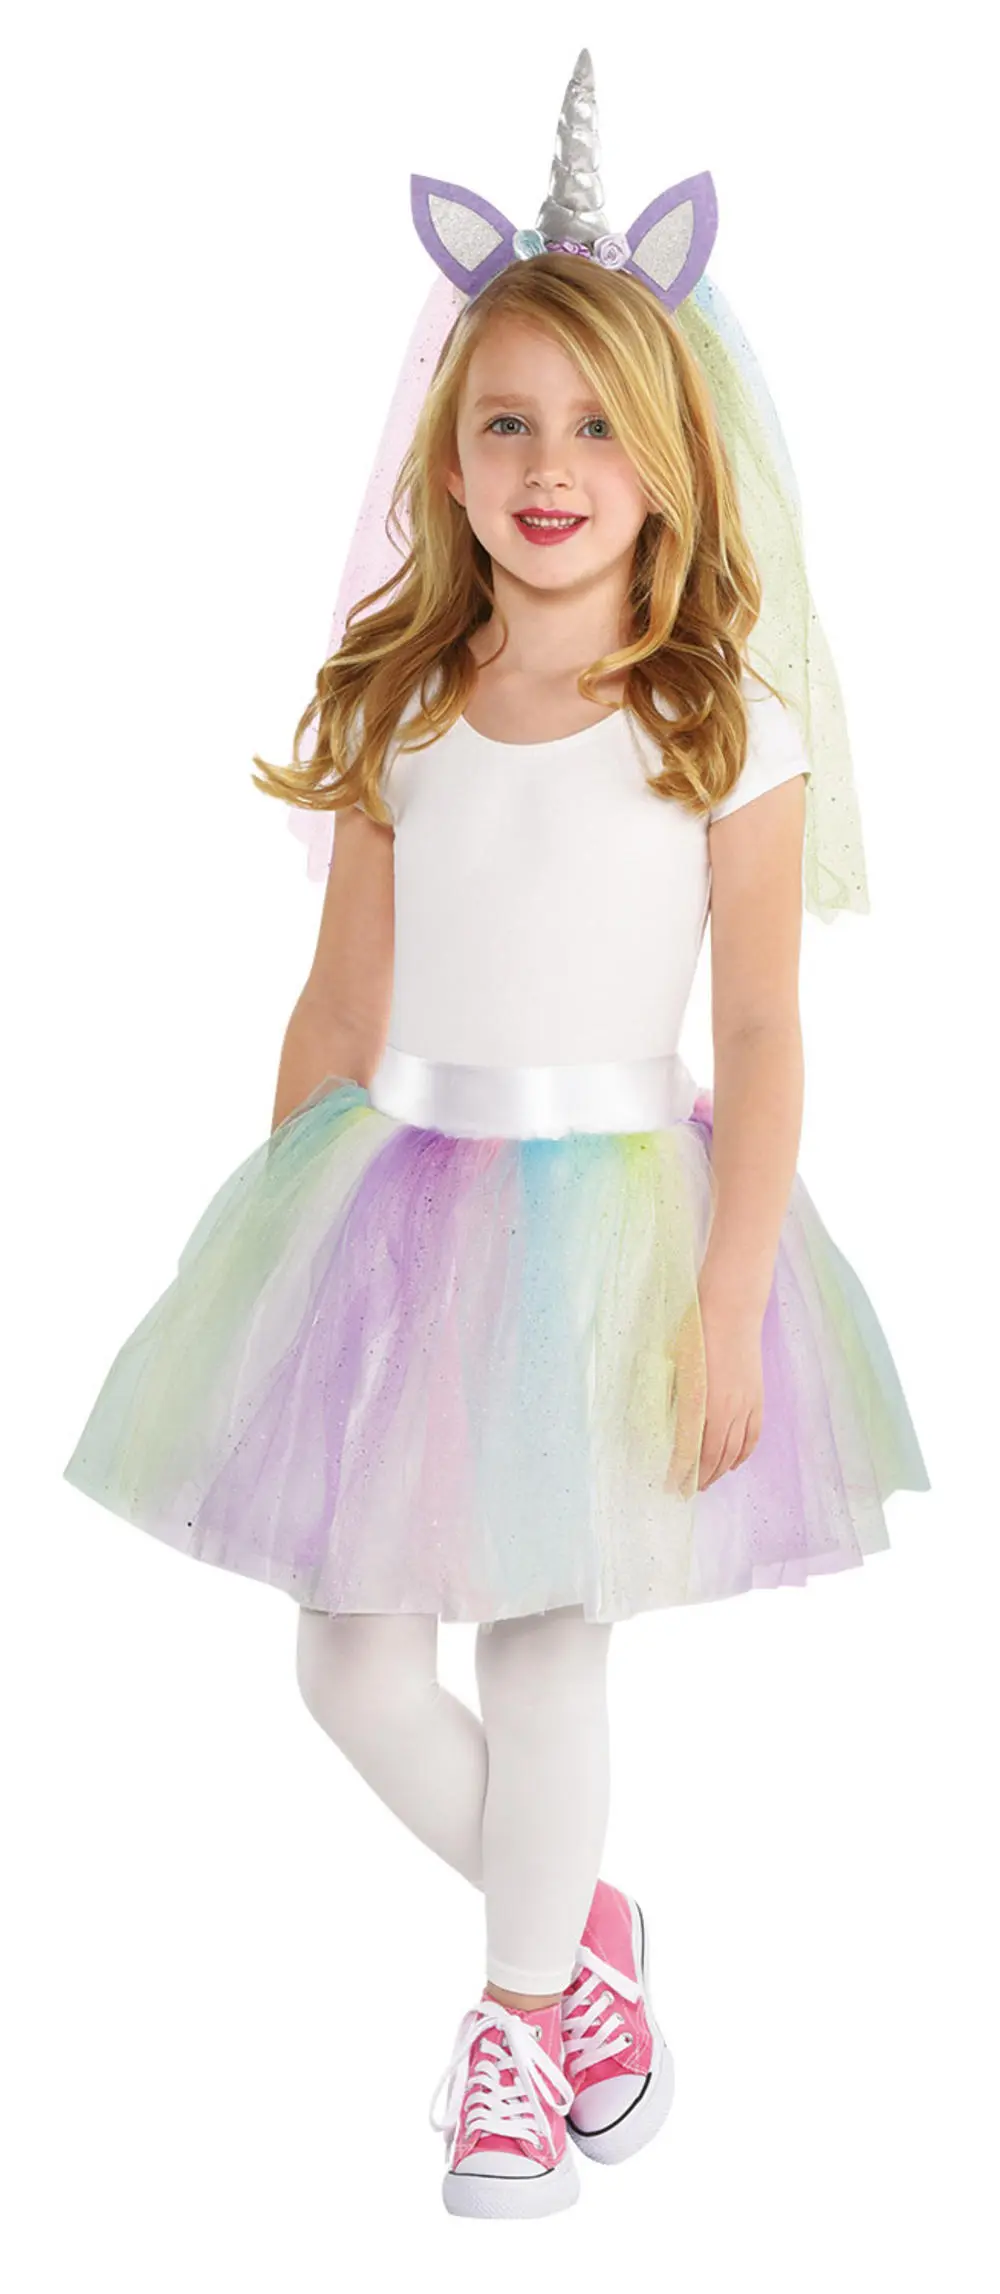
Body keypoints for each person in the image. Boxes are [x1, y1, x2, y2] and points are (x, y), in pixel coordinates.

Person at [62, 50, 929, 2223]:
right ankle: (586, 1929)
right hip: (400, 1203)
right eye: (507, 423)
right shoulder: (403, 708)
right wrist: (262, 1283)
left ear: (673, 457)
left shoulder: (721, 722)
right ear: (443, 457)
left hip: (617, 1224)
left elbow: (760, 1020)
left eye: (598, 426)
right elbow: (339, 1006)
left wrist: (732, 1284)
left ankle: (515, 2035)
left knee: (548, 1636)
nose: (551, 467)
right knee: (348, 1657)